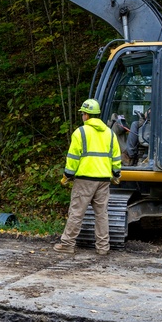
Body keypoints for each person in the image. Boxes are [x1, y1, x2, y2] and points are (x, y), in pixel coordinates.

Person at [54, 99, 122, 256]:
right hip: (104, 181)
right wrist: (116, 174)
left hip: (84, 180)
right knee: (102, 214)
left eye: (82, 114)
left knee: (76, 212)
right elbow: (116, 158)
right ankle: (103, 247)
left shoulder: (80, 133)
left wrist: (67, 176)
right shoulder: (110, 134)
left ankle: (67, 244)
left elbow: (73, 158)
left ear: (86, 115)